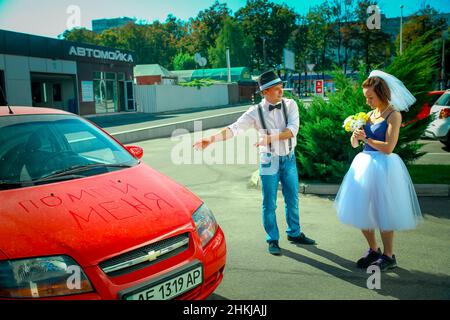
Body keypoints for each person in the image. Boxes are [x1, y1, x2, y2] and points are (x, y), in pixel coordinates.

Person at [194, 70, 316, 256]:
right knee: (269, 202)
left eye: (281, 87)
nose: (281, 91)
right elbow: (234, 129)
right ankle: (272, 239)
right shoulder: (254, 112)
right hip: (268, 160)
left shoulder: (290, 105)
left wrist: (268, 138)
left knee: (292, 198)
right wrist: (210, 139)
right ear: (265, 92)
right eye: (276, 89)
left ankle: (294, 233)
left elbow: (292, 131)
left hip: (289, 158)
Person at [335, 70, 423, 271]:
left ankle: (388, 255)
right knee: (361, 209)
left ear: (382, 94)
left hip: (384, 166)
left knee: (384, 212)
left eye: (371, 97)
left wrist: (365, 138)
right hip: (363, 165)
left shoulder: (394, 115)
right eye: (366, 97)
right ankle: (373, 249)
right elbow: (355, 144)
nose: (367, 102)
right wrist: (355, 136)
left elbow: (388, 147)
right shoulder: (368, 115)